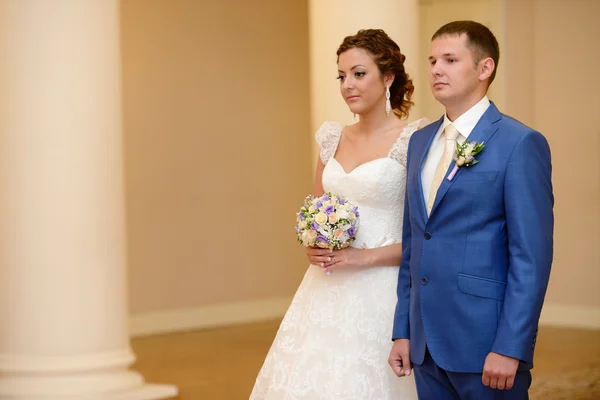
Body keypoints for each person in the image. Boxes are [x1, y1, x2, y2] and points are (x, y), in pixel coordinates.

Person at [250, 29, 427, 399]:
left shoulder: (413, 142)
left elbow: (425, 235)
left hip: (384, 291)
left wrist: (364, 257)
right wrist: (313, 247)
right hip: (325, 288)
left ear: (388, 78)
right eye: (342, 76)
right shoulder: (332, 138)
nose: (348, 84)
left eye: (359, 74)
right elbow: (316, 213)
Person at [389, 20, 553, 399]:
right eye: (431, 61)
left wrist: (511, 346)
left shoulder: (520, 143)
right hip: (425, 345)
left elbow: (531, 256)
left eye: (449, 59)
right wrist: (404, 330)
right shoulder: (419, 142)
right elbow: (415, 242)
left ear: (484, 68)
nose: (435, 70)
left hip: (485, 343)